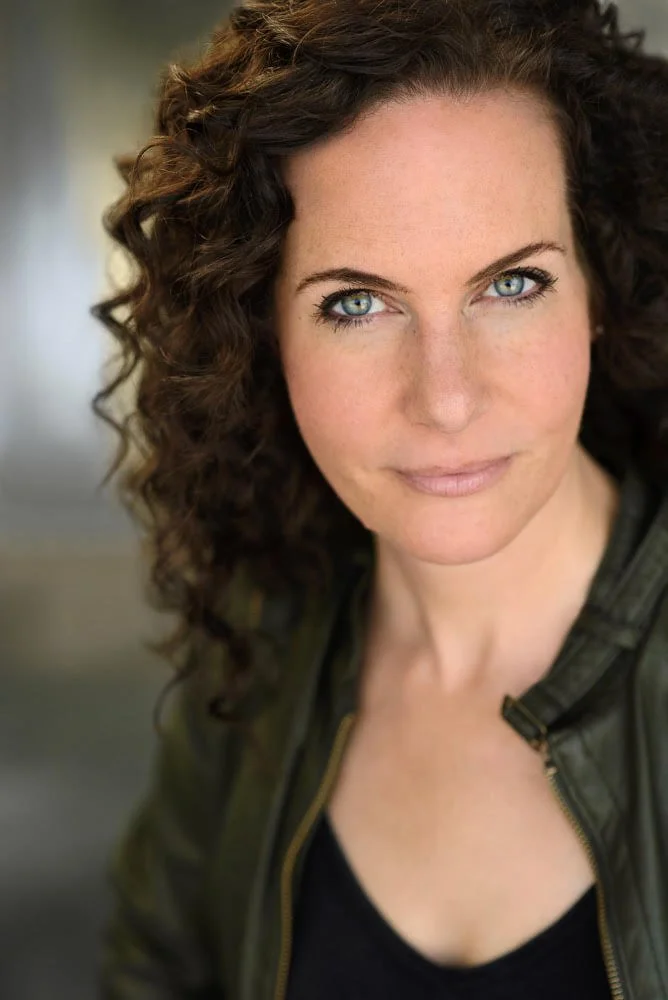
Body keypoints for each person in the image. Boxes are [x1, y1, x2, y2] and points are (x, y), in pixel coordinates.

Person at [91, 0, 668, 997]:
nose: (444, 398)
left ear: (598, 290)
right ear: (259, 334)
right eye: (354, 303)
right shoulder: (257, 640)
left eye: (511, 285)